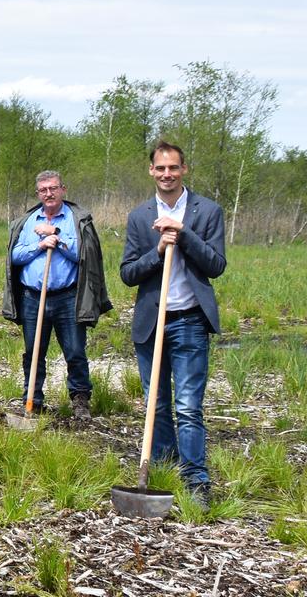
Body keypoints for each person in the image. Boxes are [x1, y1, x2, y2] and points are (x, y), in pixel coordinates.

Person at [121, 141, 227, 503]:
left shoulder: (207, 211)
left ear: (183, 170)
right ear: (151, 171)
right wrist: (159, 250)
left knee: (187, 406)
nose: (167, 174)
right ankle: (163, 468)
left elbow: (216, 264)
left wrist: (182, 235)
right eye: (160, 168)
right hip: (152, 322)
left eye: (173, 168)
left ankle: (196, 481)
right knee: (157, 403)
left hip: (190, 321)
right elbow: (128, 273)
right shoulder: (139, 216)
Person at [0, 170, 110, 417]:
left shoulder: (75, 220)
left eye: (53, 188)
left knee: (74, 351)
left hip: (67, 297)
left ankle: (80, 399)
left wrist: (56, 238)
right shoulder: (28, 222)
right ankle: (33, 399)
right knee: (34, 351)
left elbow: (84, 255)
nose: (48, 193)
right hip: (32, 297)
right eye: (43, 190)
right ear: (37, 193)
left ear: (63, 189)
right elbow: (14, 257)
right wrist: (40, 245)